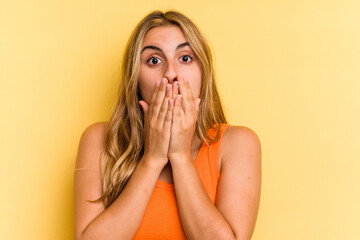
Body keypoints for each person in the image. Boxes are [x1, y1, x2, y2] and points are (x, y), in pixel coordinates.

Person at [73, 10, 261, 240]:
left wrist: (180, 156)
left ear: (203, 72)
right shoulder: (100, 140)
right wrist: (152, 158)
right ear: (135, 79)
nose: (171, 73)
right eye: (154, 60)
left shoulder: (238, 144)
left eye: (185, 58)